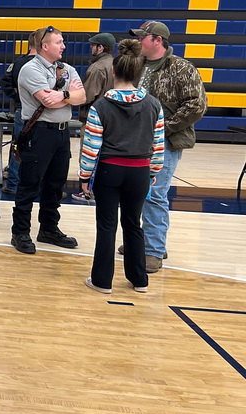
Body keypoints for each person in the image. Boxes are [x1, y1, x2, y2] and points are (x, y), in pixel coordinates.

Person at [79, 40, 165, 294]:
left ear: (114, 71)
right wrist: (152, 173)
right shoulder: (153, 105)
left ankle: (102, 281)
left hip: (110, 169)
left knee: (107, 225)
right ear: (139, 73)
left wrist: (85, 176)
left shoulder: (100, 107)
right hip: (139, 171)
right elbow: (158, 145)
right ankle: (139, 280)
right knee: (133, 223)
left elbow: (91, 146)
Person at [129, 20, 207, 273]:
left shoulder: (182, 68)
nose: (139, 41)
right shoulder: (137, 66)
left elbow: (196, 105)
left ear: (157, 40)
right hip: (134, 140)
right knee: (136, 193)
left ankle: (153, 250)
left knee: (154, 194)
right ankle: (142, 241)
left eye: (143, 38)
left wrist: (163, 128)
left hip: (165, 141)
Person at [10, 26, 87, 254]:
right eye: (59, 42)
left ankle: (49, 228)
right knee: (30, 183)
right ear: (45, 46)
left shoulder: (66, 69)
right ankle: (20, 232)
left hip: (62, 133)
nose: (63, 46)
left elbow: (81, 97)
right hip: (39, 132)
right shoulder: (29, 69)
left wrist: (62, 95)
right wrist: (67, 97)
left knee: (56, 184)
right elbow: (47, 102)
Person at [72, 32, 116, 205]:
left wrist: (71, 93)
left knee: (89, 155)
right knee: (106, 157)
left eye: (93, 45)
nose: (91, 48)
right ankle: (104, 191)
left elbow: (88, 95)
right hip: (113, 119)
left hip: (94, 119)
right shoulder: (116, 64)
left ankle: (88, 191)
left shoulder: (97, 68)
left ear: (101, 47)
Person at [0, 32, 38, 195]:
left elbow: (5, 82)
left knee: (18, 146)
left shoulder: (18, 62)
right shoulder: (45, 65)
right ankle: (32, 184)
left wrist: (17, 97)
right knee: (38, 148)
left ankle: (13, 184)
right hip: (40, 112)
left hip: (21, 109)